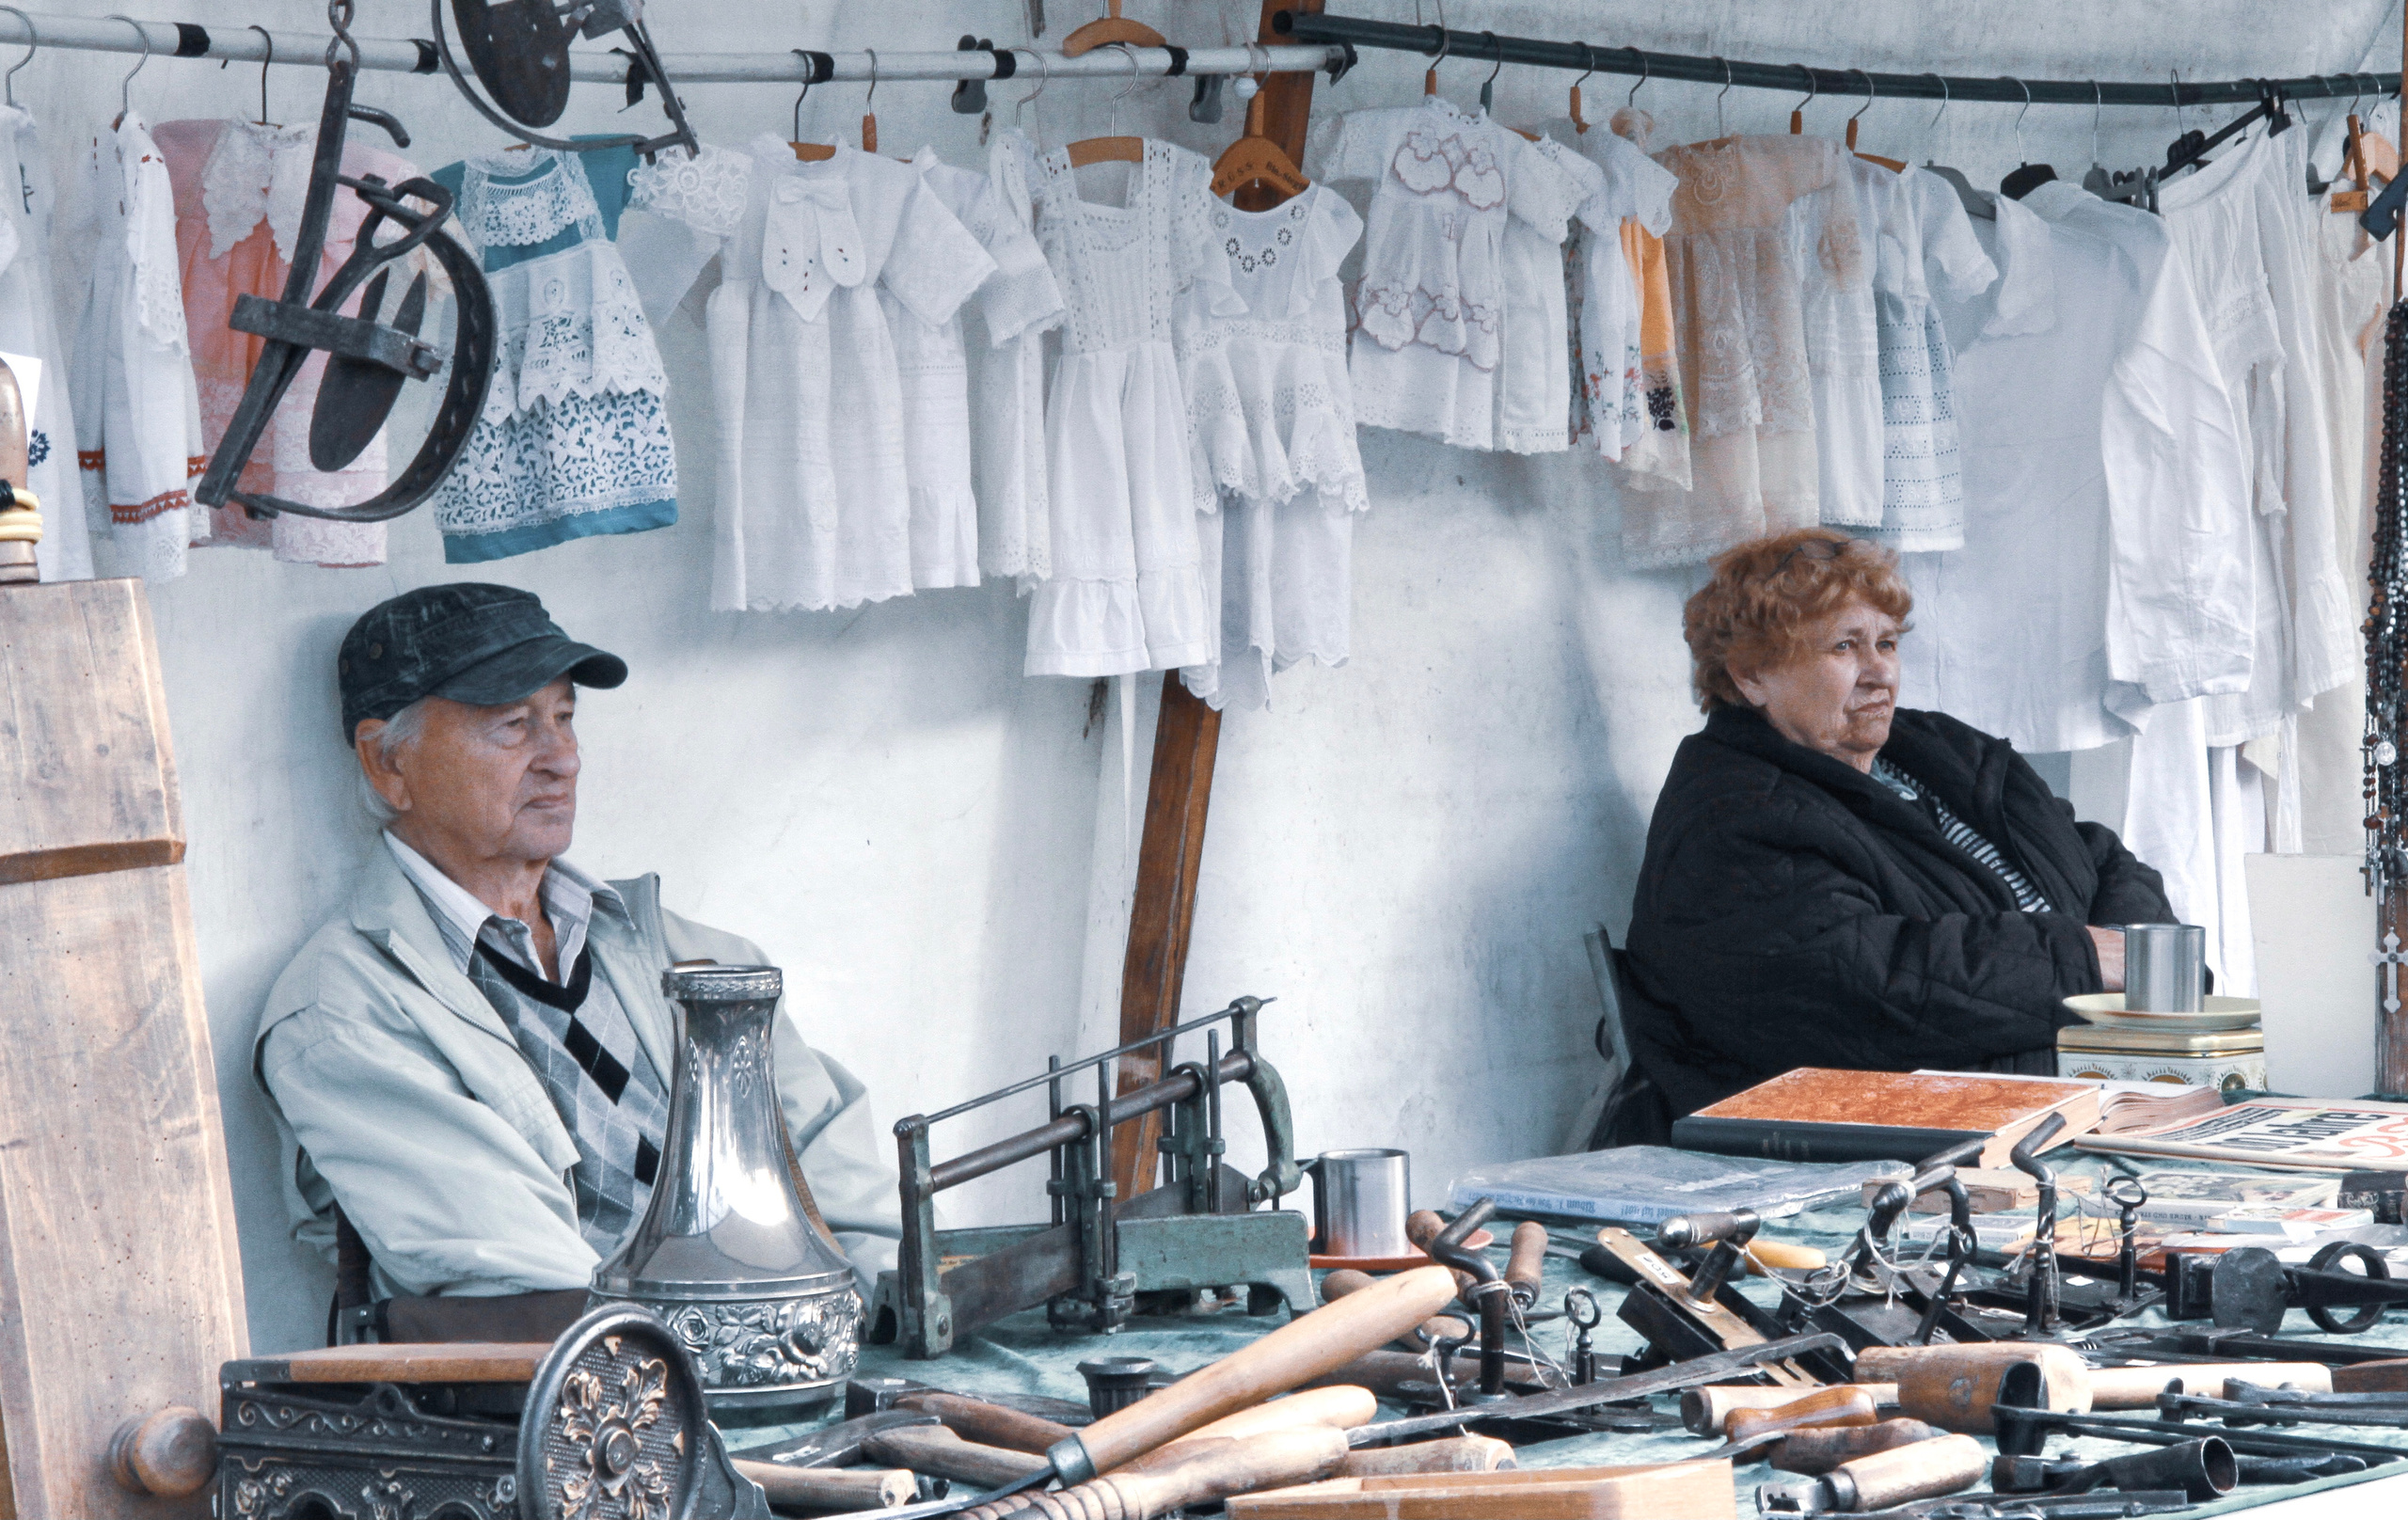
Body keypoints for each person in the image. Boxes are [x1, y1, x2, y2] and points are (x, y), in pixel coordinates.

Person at [255, 583, 897, 1337]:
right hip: (606, 1417)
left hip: (804, 1360)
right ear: (386, 763)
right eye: (512, 726)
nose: (561, 758)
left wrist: (897, 1317)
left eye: (563, 717)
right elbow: (524, 1279)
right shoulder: (343, 1015)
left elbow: (836, 1174)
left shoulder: (685, 954)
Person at [1621, 528, 2178, 1126]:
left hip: (2061, 1100)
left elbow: (2098, 856)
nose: (1878, 672)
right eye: (1842, 648)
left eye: (1886, 644)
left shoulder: (1938, 752)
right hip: (1877, 1141)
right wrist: (2089, 961)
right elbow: (1865, 986)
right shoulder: (1732, 816)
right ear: (1751, 676)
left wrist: (2129, 940)